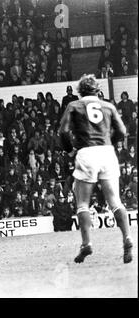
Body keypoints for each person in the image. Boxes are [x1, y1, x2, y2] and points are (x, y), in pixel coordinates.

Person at [59, 74, 133, 264]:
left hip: (86, 153)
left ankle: (87, 243)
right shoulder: (108, 106)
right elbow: (123, 132)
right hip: (107, 152)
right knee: (115, 201)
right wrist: (108, 143)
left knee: (82, 203)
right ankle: (127, 238)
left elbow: (63, 131)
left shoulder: (74, 106)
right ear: (98, 90)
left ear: (80, 91)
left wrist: (70, 150)